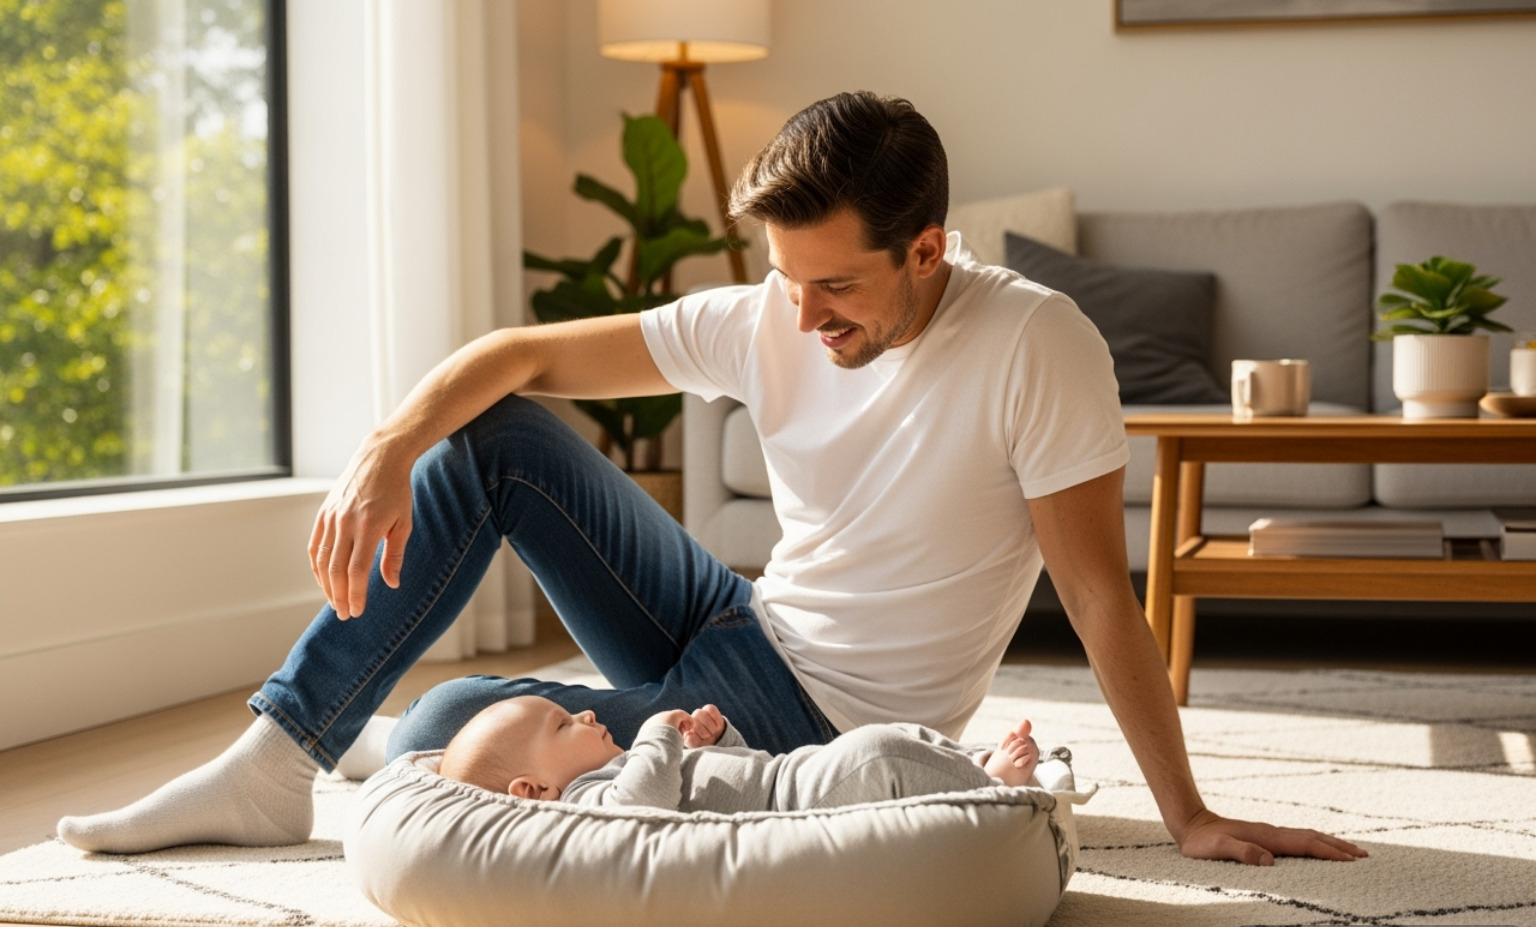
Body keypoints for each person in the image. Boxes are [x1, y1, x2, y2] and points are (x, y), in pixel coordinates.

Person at [57, 91, 1365, 866]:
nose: (802, 321)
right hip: (738, 620)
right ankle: (278, 756)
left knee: (430, 733)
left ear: (930, 249)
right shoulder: (771, 311)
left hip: (815, 715)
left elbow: (1097, 598)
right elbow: (515, 355)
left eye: (837, 288)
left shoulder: (1035, 345)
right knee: (493, 447)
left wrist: (1185, 814)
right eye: (787, 283)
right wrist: (385, 447)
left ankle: (318, 755)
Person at [436, 695, 1041, 811]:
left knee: (889, 742)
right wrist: (657, 734)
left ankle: (973, 764)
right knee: (880, 757)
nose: (590, 716)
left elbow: (737, 773)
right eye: (565, 724)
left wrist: (719, 742)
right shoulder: (587, 799)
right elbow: (641, 804)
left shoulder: (610, 769)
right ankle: (994, 790)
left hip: (784, 772)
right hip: (796, 799)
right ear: (533, 788)